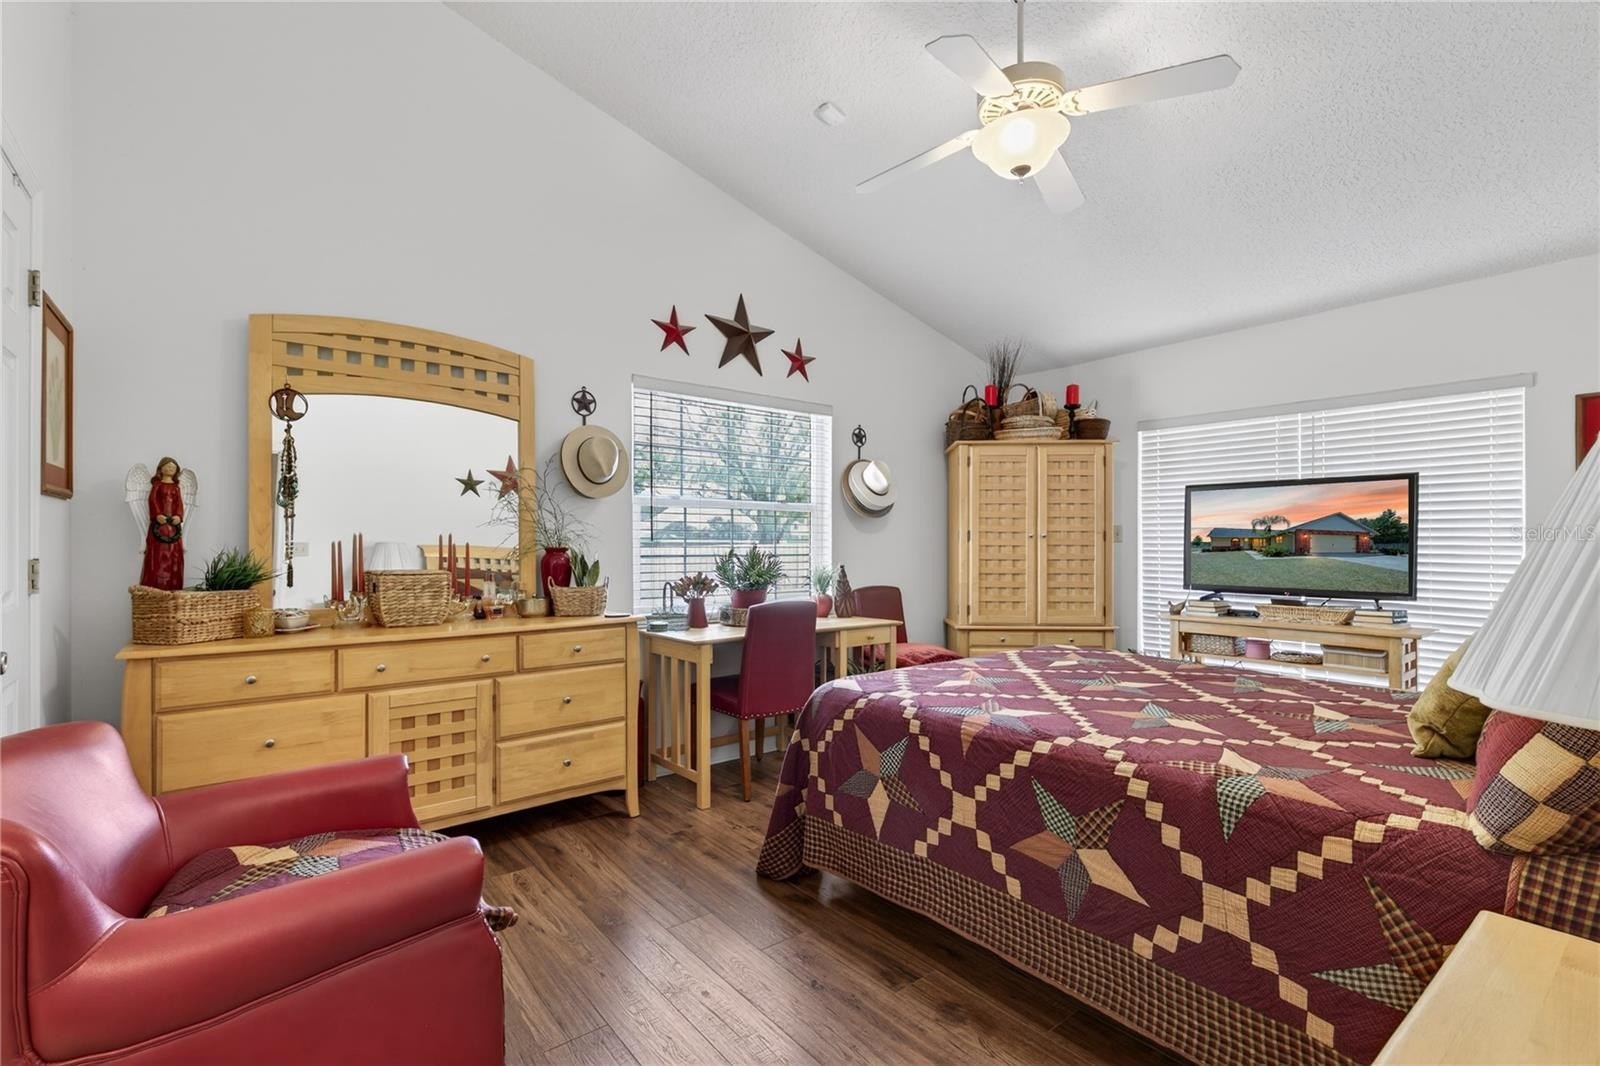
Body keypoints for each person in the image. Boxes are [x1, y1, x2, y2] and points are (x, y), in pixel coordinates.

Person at [140, 457, 186, 590]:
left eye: (173, 467)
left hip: (173, 528)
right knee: (158, 554)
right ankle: (155, 585)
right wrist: (157, 514)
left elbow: (179, 504)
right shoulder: (157, 485)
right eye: (168, 466)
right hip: (159, 526)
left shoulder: (176, 487)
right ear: (161, 468)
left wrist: (178, 516)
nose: (170, 469)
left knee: (174, 554)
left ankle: (173, 584)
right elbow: (152, 500)